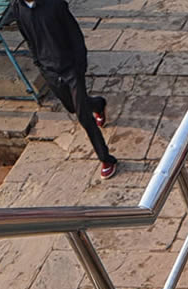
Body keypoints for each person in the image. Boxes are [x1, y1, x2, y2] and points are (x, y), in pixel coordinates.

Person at [11, 0, 117, 178]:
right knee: (72, 106)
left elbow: (74, 35)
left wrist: (79, 66)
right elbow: (29, 39)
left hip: (71, 68)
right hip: (49, 69)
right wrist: (38, 63)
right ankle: (98, 104)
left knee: (84, 117)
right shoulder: (17, 9)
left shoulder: (54, 4)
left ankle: (106, 159)